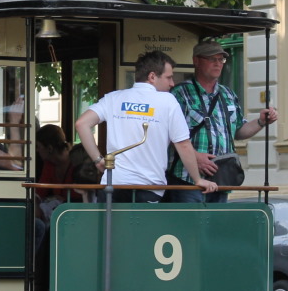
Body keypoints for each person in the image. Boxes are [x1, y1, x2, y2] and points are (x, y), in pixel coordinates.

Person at [74, 50, 216, 202]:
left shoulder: (113, 98)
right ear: (152, 77)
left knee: (110, 226)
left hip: (113, 185)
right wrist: (197, 179)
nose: (172, 83)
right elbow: (183, 144)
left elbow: (81, 123)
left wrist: (98, 160)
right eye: (168, 77)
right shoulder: (168, 101)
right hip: (148, 188)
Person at [168, 39, 278, 203]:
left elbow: (239, 131)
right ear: (196, 61)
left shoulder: (228, 94)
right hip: (188, 179)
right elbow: (166, 134)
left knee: (216, 227)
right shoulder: (180, 93)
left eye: (221, 59)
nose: (218, 64)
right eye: (212, 59)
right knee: (189, 227)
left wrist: (261, 122)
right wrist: (195, 157)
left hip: (222, 178)